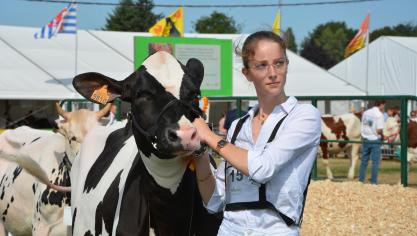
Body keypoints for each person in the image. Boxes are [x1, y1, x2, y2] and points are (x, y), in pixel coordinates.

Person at [192, 31, 321, 235]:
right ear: (247, 73)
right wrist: (199, 152)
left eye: (279, 63)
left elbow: (263, 168)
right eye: (261, 65)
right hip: (229, 229)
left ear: (287, 64)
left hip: (276, 230)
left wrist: (209, 136)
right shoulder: (237, 127)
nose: (272, 72)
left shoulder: (304, 116)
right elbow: (214, 201)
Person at [358, 100, 386, 185]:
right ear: (381, 105)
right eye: (384, 105)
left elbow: (363, 124)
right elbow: (379, 129)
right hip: (375, 139)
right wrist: (383, 136)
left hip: (365, 138)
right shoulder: (379, 115)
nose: (384, 107)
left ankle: (361, 180)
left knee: (364, 161)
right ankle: (373, 182)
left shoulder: (366, 112)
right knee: (375, 162)